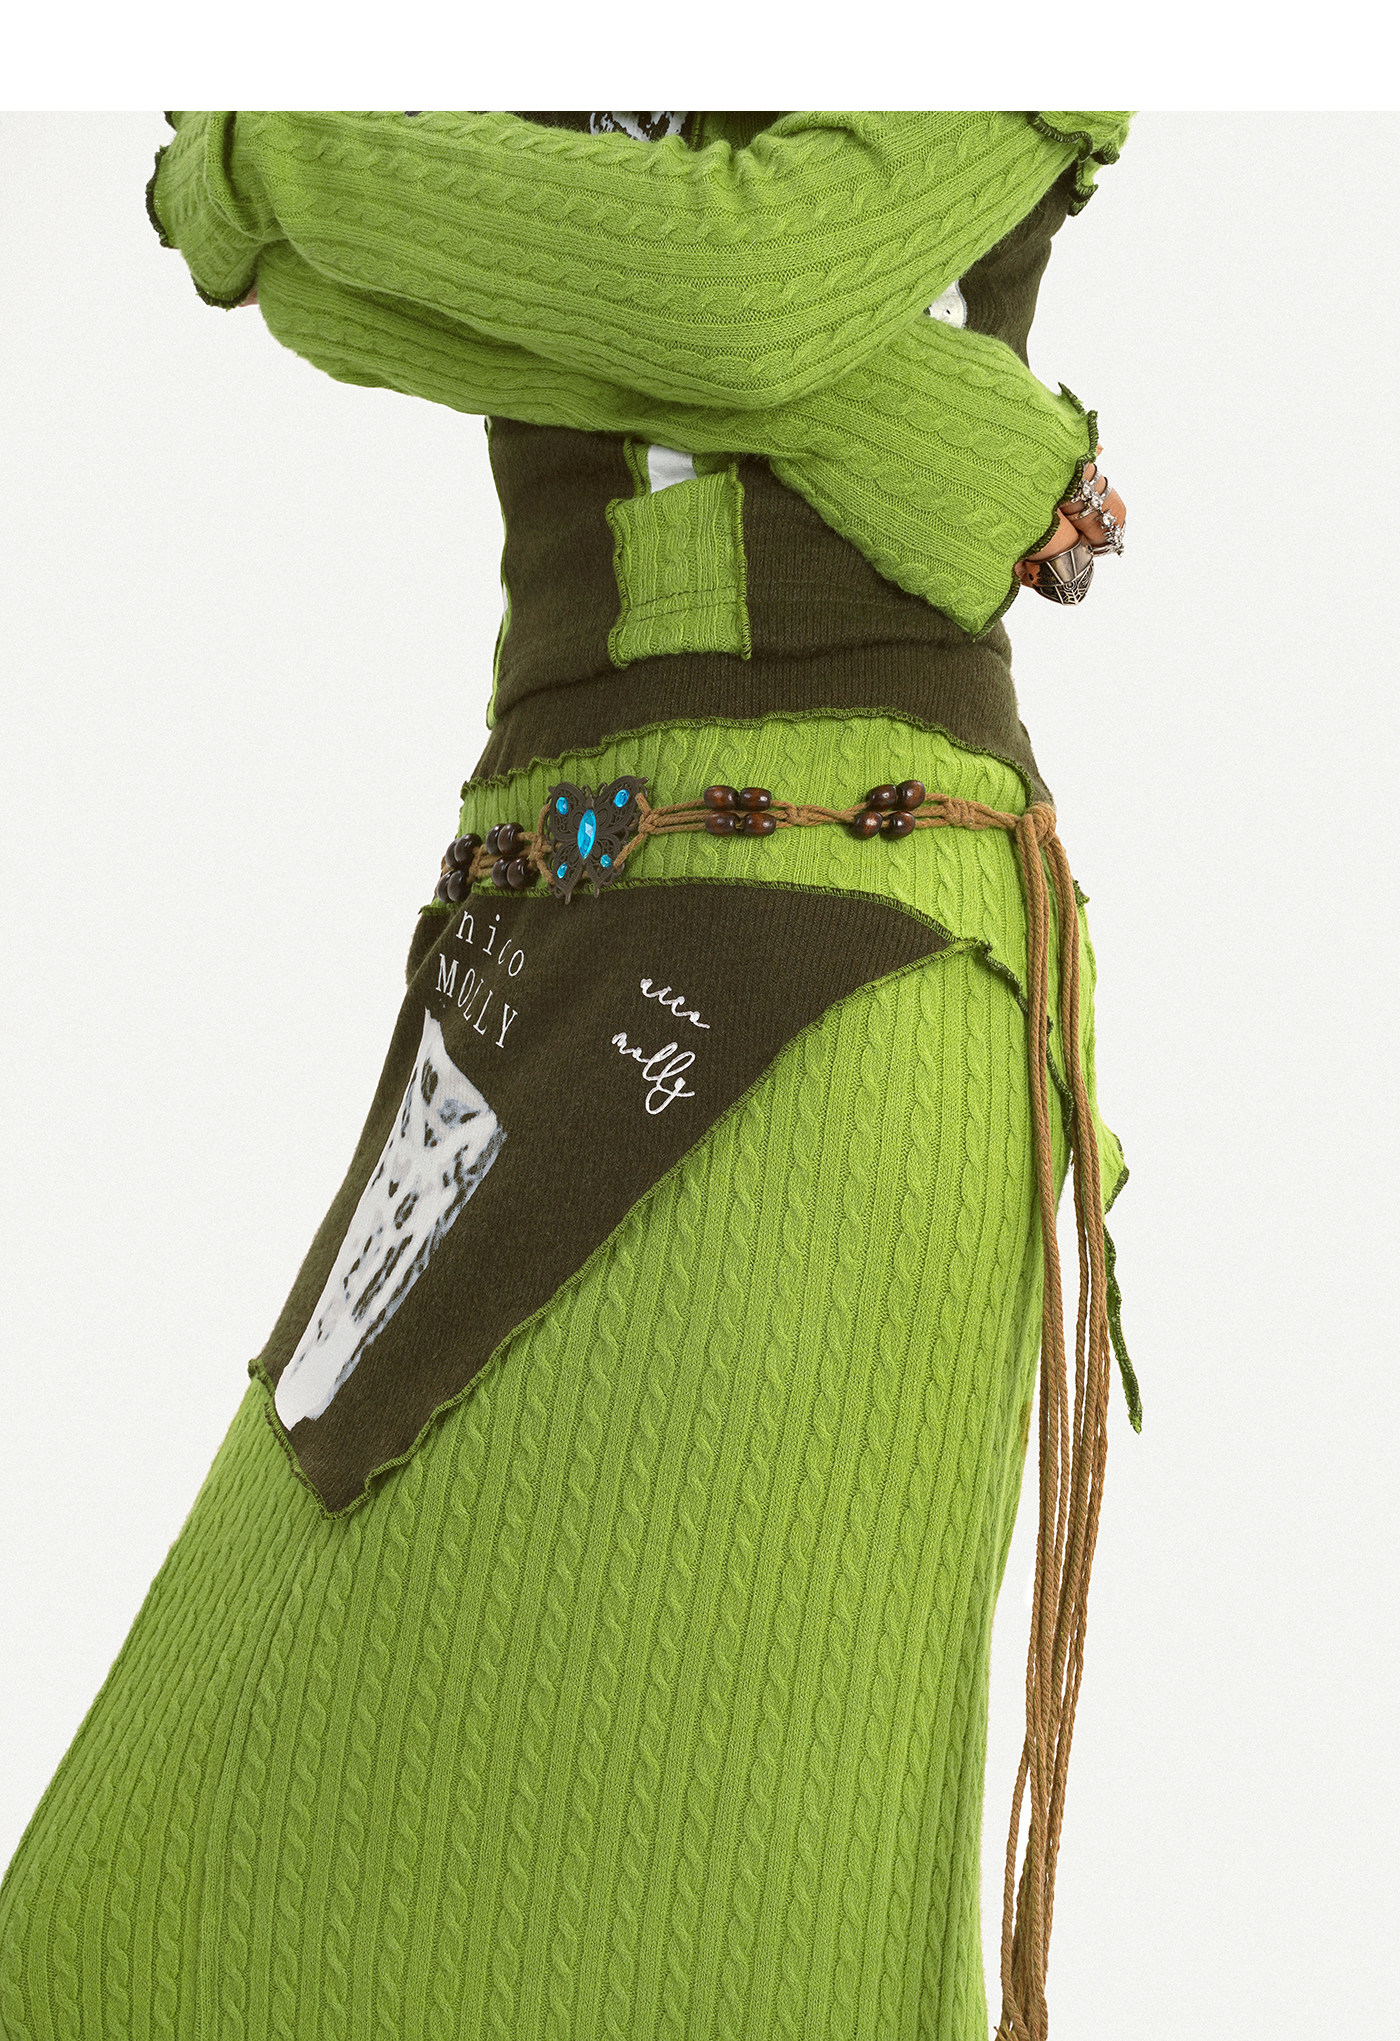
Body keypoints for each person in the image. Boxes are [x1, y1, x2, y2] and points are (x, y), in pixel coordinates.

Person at [0, 111, 1138, 2041]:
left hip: (852, 953)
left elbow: (739, 279)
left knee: (763, 1927)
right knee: (113, 1923)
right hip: (532, 927)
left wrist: (282, 160)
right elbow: (385, 290)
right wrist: (945, 436)